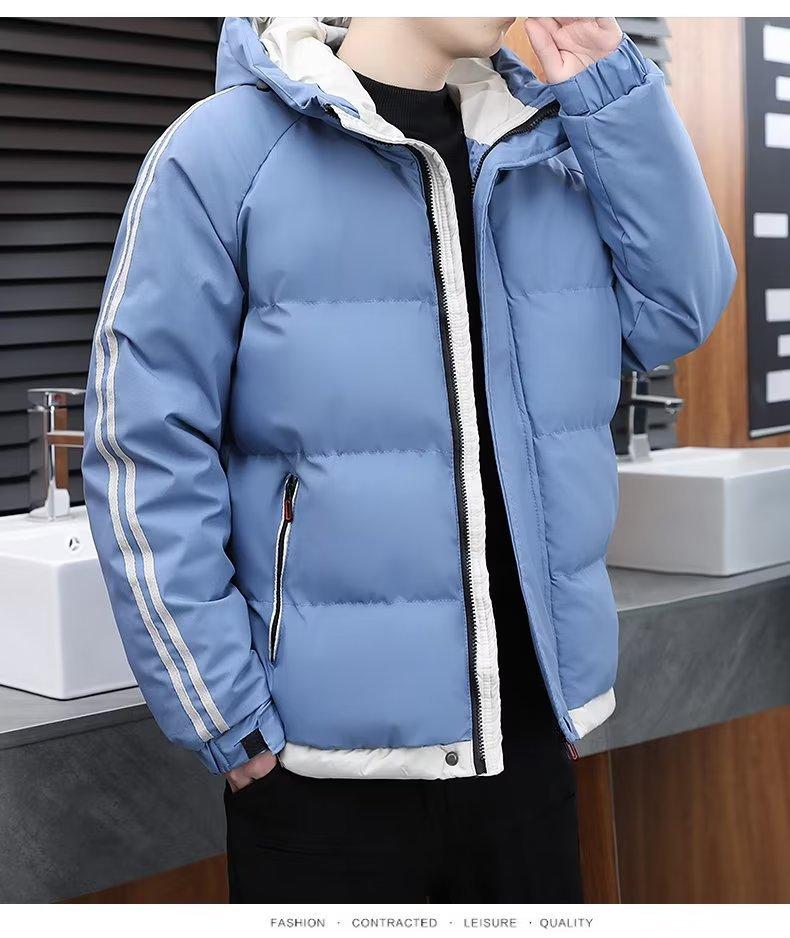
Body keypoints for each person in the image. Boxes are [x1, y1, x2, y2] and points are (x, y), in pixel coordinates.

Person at [83, 16, 735, 902]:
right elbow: (142, 445)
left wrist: (609, 89)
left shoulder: (547, 148)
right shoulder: (223, 152)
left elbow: (681, 307)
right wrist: (221, 710)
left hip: (527, 741)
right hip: (322, 774)